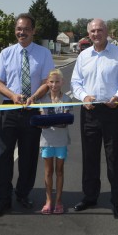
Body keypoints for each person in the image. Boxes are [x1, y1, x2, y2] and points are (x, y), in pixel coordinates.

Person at [0, 13, 54, 217]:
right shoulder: (6, 53)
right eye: (19, 29)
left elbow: (47, 81)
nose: (22, 32)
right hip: (10, 109)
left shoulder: (44, 54)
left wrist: (34, 97)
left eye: (26, 29)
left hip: (32, 110)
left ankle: (23, 194)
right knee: (4, 155)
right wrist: (12, 95)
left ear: (33, 31)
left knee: (28, 156)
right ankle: (3, 198)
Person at [71, 18, 118, 218]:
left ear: (107, 32)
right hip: (89, 110)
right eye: (93, 31)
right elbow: (75, 82)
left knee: (114, 157)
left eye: (100, 30)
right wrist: (83, 97)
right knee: (89, 157)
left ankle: (117, 201)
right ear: (89, 34)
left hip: (112, 110)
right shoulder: (83, 56)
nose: (96, 34)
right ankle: (89, 196)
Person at [37, 69, 72, 215]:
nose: (54, 84)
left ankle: (58, 200)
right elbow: (42, 122)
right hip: (46, 140)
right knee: (48, 171)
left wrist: (48, 120)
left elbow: (65, 122)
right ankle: (48, 200)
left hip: (61, 140)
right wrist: (52, 120)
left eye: (57, 81)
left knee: (59, 171)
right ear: (47, 83)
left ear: (62, 82)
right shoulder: (42, 100)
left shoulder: (67, 100)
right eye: (51, 82)